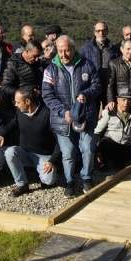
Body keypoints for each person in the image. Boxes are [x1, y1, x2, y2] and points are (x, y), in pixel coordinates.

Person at [42, 35, 101, 197]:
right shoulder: (50, 70)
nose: (63, 54)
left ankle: (87, 178)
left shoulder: (87, 64)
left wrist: (86, 94)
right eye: (60, 51)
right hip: (62, 120)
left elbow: (97, 85)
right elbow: (47, 95)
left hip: (85, 116)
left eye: (67, 50)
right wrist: (63, 111)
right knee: (67, 154)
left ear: (73, 49)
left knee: (88, 149)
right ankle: (69, 181)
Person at [4, 87, 61, 196]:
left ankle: (49, 172)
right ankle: (22, 185)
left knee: (49, 181)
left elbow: (60, 140)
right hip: (24, 152)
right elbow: (11, 125)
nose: (15, 104)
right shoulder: (20, 112)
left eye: (17, 102)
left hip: (44, 156)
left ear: (28, 102)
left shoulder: (47, 114)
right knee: (9, 152)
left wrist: (53, 161)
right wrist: (1, 135)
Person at [95, 95, 131, 169]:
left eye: (129, 100)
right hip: (111, 144)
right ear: (118, 100)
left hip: (126, 144)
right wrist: (97, 151)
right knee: (110, 164)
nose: (126, 103)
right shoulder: (108, 111)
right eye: (123, 100)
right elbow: (97, 132)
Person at [81, 21, 118, 98]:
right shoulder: (85, 48)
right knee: (93, 110)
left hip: (108, 86)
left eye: (104, 30)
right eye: (98, 31)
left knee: (108, 110)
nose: (101, 33)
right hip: (92, 86)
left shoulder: (114, 49)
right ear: (95, 32)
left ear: (107, 31)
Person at [108, 39, 131, 110]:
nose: (130, 52)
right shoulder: (113, 64)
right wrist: (110, 100)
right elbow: (110, 85)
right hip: (119, 100)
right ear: (121, 49)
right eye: (128, 49)